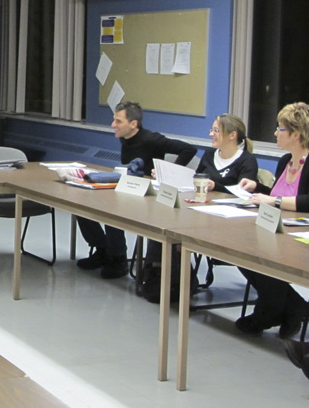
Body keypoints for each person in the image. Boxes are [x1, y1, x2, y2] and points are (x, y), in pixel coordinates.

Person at [139, 114, 258, 302]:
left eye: (216, 130)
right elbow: (194, 180)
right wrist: (165, 176)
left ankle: (178, 280)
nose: (211, 134)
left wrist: (216, 186)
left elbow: (244, 193)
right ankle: (164, 276)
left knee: (176, 231)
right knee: (163, 224)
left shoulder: (247, 160)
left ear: (232, 135)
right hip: (200, 211)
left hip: (227, 220)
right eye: (212, 130)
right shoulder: (210, 155)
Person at [77, 101, 196, 279]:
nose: (113, 125)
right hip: (130, 187)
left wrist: (169, 172)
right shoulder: (124, 138)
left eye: (118, 121)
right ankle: (102, 249)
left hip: (150, 195)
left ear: (133, 124)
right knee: (82, 204)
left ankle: (118, 258)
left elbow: (189, 149)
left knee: (111, 209)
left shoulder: (152, 139)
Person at [236, 102, 309, 338]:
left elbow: (302, 200)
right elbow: (280, 194)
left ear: (296, 134)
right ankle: (292, 307)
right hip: (276, 228)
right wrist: (258, 187)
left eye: (280, 129)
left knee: (264, 255)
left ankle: (269, 312)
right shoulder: (285, 160)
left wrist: (273, 200)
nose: (275, 133)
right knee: (240, 251)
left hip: (299, 235)